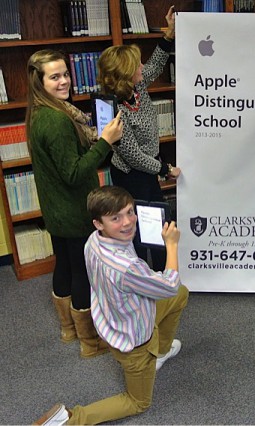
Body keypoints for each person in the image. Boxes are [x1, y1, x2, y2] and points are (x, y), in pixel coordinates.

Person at [35, 185, 189, 425]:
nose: (127, 222)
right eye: (115, 218)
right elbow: (168, 284)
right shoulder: (127, 267)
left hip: (113, 319)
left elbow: (169, 290)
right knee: (138, 402)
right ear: (99, 223)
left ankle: (161, 352)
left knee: (180, 294)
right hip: (135, 340)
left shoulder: (93, 240)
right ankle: (69, 420)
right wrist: (172, 245)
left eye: (129, 212)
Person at [25, 49, 123, 357]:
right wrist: (105, 141)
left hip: (55, 210)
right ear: (39, 81)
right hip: (74, 208)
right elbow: (73, 173)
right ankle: (90, 343)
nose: (64, 81)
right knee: (83, 272)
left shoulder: (40, 111)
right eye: (54, 76)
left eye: (65, 73)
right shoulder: (57, 120)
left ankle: (69, 329)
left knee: (65, 265)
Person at [96, 5, 180, 273]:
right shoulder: (115, 111)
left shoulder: (138, 87)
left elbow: (155, 64)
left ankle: (157, 274)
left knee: (155, 222)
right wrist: (166, 170)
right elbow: (132, 155)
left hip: (149, 170)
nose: (142, 67)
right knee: (139, 228)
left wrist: (169, 33)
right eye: (136, 65)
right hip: (131, 176)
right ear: (124, 73)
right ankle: (144, 276)